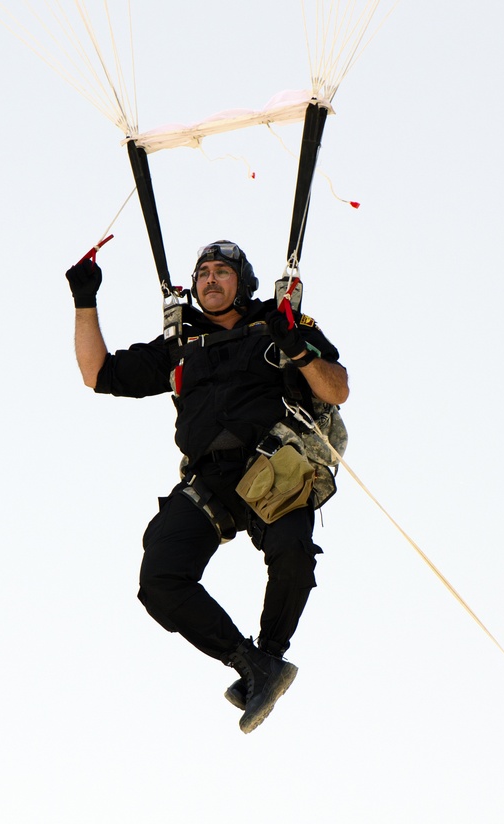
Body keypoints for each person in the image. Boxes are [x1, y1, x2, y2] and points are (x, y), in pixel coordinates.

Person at [66, 240, 349, 733]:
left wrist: (296, 348)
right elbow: (98, 374)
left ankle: (271, 655)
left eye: (222, 271)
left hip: (273, 468)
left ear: (244, 282)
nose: (210, 280)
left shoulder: (278, 323)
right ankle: (250, 664)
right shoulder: (182, 343)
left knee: (293, 553)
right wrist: (84, 300)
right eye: (203, 274)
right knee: (159, 578)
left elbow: (336, 388)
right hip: (209, 480)